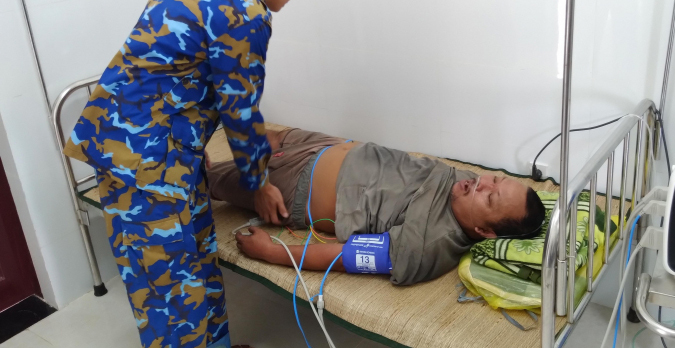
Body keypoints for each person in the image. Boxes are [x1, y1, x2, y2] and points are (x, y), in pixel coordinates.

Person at [63, 0, 315, 348]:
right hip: (139, 160)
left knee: (197, 250)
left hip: (173, 150)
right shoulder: (248, 11)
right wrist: (259, 183)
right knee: (163, 280)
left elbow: (177, 70)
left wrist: (200, 142)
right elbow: (239, 109)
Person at [207, 128, 546, 285]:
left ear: (484, 230)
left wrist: (272, 252)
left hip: (292, 186)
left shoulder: (426, 245)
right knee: (249, 134)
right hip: (328, 143)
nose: (481, 183)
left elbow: (346, 257)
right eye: (495, 180)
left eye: (489, 197)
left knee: (201, 179)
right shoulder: (468, 187)